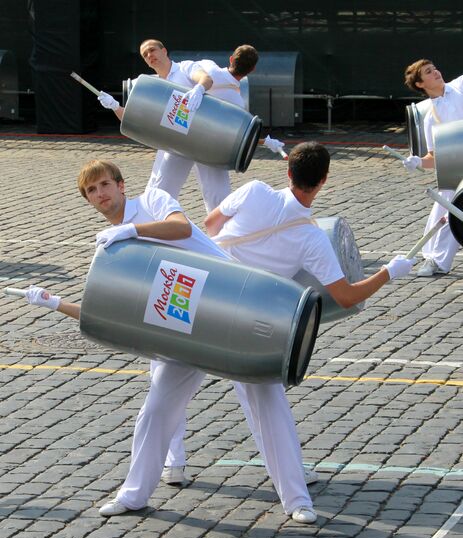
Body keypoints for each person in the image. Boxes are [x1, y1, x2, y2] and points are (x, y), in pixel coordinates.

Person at [22, 159, 320, 523]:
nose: (100, 194)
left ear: (120, 185)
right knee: (156, 411)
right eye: (91, 191)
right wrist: (55, 303)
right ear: (88, 201)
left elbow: (179, 228)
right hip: (180, 332)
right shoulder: (112, 246)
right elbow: (109, 309)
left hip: (229, 306)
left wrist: (131, 230)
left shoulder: (153, 200)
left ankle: (297, 499)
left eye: (103, 185)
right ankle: (133, 495)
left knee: (267, 400)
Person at [204, 141, 415, 325]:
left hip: (209, 277)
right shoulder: (313, 239)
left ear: (289, 172)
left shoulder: (254, 189)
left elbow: (211, 223)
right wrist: (389, 271)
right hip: (246, 304)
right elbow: (346, 297)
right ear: (323, 180)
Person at [97, 39, 284, 212]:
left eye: (152, 50)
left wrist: (200, 88)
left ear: (164, 51)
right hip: (176, 145)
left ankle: (222, 241)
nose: (149, 55)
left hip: (207, 146)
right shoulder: (151, 84)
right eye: (145, 54)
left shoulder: (187, 68)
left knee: (218, 199)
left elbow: (232, 132)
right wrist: (115, 106)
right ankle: (150, 233)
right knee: (159, 192)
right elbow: (136, 120)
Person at [403, 59, 462, 276]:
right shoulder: (430, 118)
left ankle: (436, 259)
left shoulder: (459, 86)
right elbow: (433, 157)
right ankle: (434, 259)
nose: (436, 72)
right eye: (429, 72)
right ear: (420, 84)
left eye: (434, 68)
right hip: (455, 168)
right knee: (445, 209)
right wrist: (418, 161)